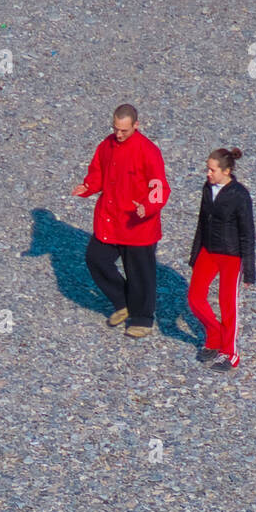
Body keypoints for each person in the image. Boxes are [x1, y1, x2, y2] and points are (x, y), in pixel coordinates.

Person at [71, 105, 170, 338]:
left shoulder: (148, 151)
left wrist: (147, 207)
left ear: (136, 125)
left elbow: (159, 187)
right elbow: (98, 173)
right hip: (111, 219)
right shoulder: (106, 145)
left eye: (124, 130)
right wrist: (88, 187)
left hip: (138, 223)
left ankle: (143, 318)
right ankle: (122, 301)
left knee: (140, 272)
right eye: (115, 129)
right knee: (96, 259)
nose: (118, 134)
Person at [187, 147, 256, 370]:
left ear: (226, 171)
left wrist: (249, 269)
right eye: (208, 168)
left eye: (212, 169)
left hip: (231, 256)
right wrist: (195, 255)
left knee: (229, 306)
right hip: (208, 250)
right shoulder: (207, 188)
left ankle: (230, 354)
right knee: (195, 298)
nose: (208, 173)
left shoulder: (240, 195)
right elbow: (201, 222)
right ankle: (214, 334)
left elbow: (247, 232)